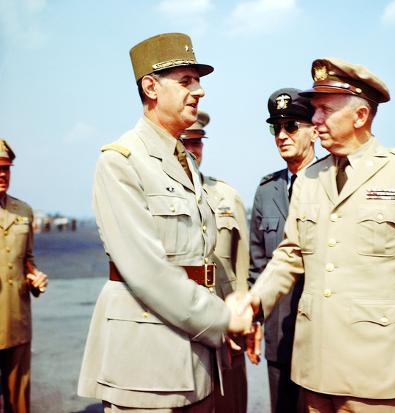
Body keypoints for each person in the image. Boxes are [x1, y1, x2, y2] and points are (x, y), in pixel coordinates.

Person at [247, 58, 395, 412]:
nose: (315, 120)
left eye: (325, 110)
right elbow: (289, 254)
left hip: (379, 374)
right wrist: (252, 303)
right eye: (314, 110)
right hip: (314, 372)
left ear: (360, 116)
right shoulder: (310, 179)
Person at [77, 33, 252, 413]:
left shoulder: (184, 162)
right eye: (186, 81)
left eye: (198, 81)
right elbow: (147, 271)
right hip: (146, 364)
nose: (199, 91)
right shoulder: (121, 162)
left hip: (197, 355)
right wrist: (224, 320)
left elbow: (201, 258)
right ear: (151, 88)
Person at [248, 88, 318, 413]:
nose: (281, 135)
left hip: (322, 335)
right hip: (279, 336)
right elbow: (257, 265)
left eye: (291, 126)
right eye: (275, 128)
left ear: (314, 131)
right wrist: (255, 322)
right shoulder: (266, 191)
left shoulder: (333, 182)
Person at [180, 111, 249, 413]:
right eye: (183, 143)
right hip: (180, 331)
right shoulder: (154, 198)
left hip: (226, 332)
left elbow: (242, 271)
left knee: (230, 405)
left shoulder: (227, 196)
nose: (191, 151)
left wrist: (243, 323)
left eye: (196, 143)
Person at [0, 139, 48, 413]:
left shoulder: (23, 211)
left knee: (19, 402)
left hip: (17, 320)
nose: (2, 174)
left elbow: (27, 260)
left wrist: (35, 279)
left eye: (6, 168)